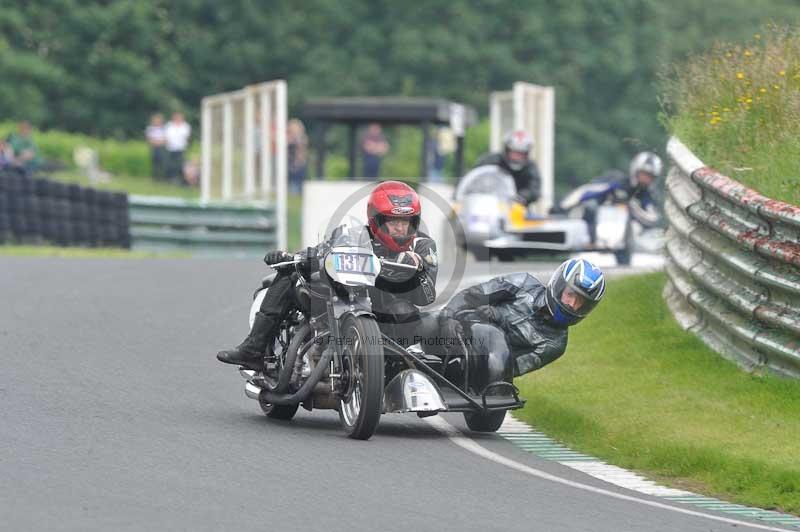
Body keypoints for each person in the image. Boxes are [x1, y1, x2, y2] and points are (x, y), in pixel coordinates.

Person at [216, 180, 438, 370]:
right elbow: (324, 251)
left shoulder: (423, 246)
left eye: (406, 222)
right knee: (290, 275)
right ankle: (253, 349)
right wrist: (293, 257)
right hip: (345, 300)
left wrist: (416, 272)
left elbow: (426, 297)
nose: (401, 229)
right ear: (377, 220)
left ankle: (400, 363)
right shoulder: (353, 235)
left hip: (388, 319)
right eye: (394, 222)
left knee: (411, 314)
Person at [435, 258, 605, 391]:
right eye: (570, 295)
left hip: (475, 366)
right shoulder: (522, 283)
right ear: (559, 286)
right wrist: (448, 316)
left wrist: (500, 321)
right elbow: (473, 295)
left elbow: (508, 368)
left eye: (580, 301)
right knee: (422, 323)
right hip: (454, 331)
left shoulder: (555, 343)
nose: (572, 304)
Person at [557, 151, 664, 245]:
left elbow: (652, 218)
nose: (645, 179)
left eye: (650, 176)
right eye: (643, 174)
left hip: (627, 240)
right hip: (596, 228)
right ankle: (588, 239)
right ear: (635, 170)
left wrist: (633, 208)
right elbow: (585, 191)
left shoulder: (649, 196)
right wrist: (562, 207)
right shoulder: (617, 182)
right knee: (589, 205)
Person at [474, 129, 541, 205]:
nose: (517, 157)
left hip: (516, 211)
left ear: (526, 154)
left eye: (521, 153)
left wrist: (522, 196)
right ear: (507, 150)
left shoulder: (530, 168)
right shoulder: (490, 161)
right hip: (486, 206)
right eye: (514, 152)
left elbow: (534, 190)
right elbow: (473, 178)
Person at [164, 112, 191, 183]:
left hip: (181, 148)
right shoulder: (169, 125)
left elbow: (187, 137)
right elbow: (166, 136)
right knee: (170, 164)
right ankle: (170, 178)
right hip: (171, 148)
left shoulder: (185, 126)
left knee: (181, 164)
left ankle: (181, 179)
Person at [287, 119, 308, 194]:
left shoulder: (301, 138)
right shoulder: (289, 138)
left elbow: (301, 151)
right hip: (290, 166)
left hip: (298, 166)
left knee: (297, 187)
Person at [145, 113, 167, 181]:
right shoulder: (150, 128)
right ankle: (155, 177)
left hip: (162, 148)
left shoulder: (164, 129)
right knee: (154, 163)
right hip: (154, 148)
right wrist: (156, 142)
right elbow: (149, 139)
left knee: (162, 163)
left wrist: (158, 142)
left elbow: (165, 139)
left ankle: (162, 177)